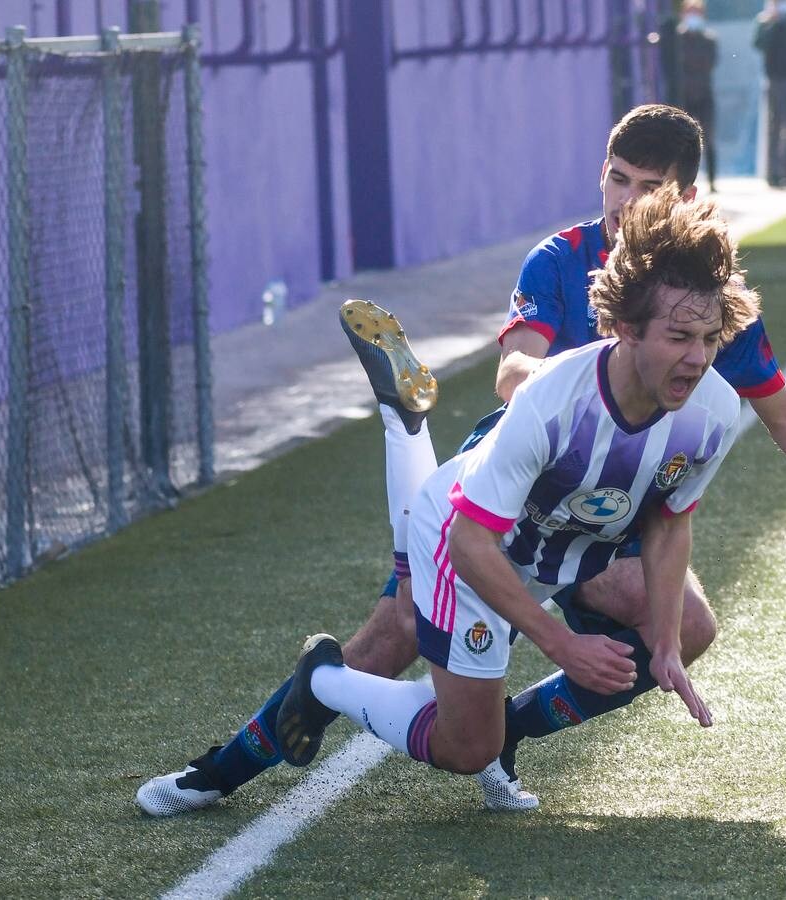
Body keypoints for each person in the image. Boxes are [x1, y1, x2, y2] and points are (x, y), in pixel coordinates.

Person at [136, 103, 786, 817]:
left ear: (684, 195)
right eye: (616, 179)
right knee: (393, 635)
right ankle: (227, 766)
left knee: (686, 626)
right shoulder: (563, 265)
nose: (624, 200)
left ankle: (509, 733)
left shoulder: (700, 298)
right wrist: (588, 392)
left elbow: (774, 417)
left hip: (606, 501)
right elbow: (514, 375)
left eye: (648, 187)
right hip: (520, 478)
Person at [272, 186, 760, 801]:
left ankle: (406, 423)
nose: (697, 359)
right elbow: (466, 537)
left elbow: (669, 520)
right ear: (628, 328)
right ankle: (324, 679)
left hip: (538, 549)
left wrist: (664, 641)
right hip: (468, 541)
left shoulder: (713, 409)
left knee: (438, 655)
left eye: (711, 339)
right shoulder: (554, 395)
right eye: (680, 337)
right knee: (464, 738)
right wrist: (561, 643)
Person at [755, 0, 786, 188]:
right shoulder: (765, 22)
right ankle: (774, 173)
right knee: (777, 127)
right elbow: (759, 43)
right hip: (776, 79)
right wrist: (772, 22)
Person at [676, 1, 719, 193]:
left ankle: (712, 180)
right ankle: (679, 182)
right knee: (680, 141)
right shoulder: (678, 39)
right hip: (684, 96)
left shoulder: (708, 39)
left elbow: (708, 63)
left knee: (708, 138)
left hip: (704, 95)